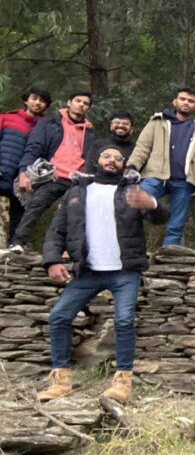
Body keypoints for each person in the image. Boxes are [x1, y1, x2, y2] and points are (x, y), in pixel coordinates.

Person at [39, 146, 168, 403]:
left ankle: (122, 382)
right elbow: (57, 230)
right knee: (59, 316)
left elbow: (160, 217)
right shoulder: (77, 192)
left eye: (118, 158)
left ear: (123, 165)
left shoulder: (131, 190)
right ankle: (61, 380)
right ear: (96, 160)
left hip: (125, 271)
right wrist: (52, 261)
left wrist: (152, 203)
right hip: (87, 271)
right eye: (107, 156)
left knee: (124, 321)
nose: (112, 161)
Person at [8, 91, 96, 252]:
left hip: (76, 179)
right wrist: (24, 171)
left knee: (76, 213)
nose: (81, 105)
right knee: (36, 205)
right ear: (69, 103)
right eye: (78, 101)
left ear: (88, 109)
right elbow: (34, 147)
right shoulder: (49, 123)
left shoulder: (89, 132)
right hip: (53, 176)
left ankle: (70, 250)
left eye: (85, 103)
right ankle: (18, 242)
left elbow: (90, 157)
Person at [128, 87, 195, 247]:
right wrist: (132, 166)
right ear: (174, 101)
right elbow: (143, 147)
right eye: (182, 99)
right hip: (155, 175)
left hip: (184, 180)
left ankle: (169, 256)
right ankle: (131, 247)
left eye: (191, 101)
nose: (186, 103)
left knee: (176, 225)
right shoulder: (157, 122)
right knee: (132, 204)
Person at [0, 86, 51, 241]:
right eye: (34, 98)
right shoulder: (6, 118)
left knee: (18, 218)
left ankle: (14, 248)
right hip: (2, 172)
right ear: (26, 100)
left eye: (42, 101)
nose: (37, 103)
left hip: (24, 180)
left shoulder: (47, 127)